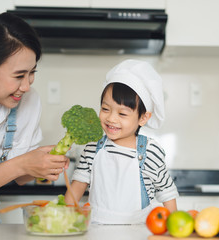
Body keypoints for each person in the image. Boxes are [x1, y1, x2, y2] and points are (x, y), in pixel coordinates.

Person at [0, 12, 69, 224]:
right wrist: (22, 164)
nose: (27, 86)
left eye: (32, 72)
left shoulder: (28, 102)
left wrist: (42, 163)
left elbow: (20, 177)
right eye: (19, 75)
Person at [66, 59, 179, 224]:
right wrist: (63, 218)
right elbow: (75, 190)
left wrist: (174, 229)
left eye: (122, 114)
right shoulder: (93, 148)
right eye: (105, 109)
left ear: (143, 117)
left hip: (138, 231)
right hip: (96, 231)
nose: (111, 118)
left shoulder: (150, 152)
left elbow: (167, 193)